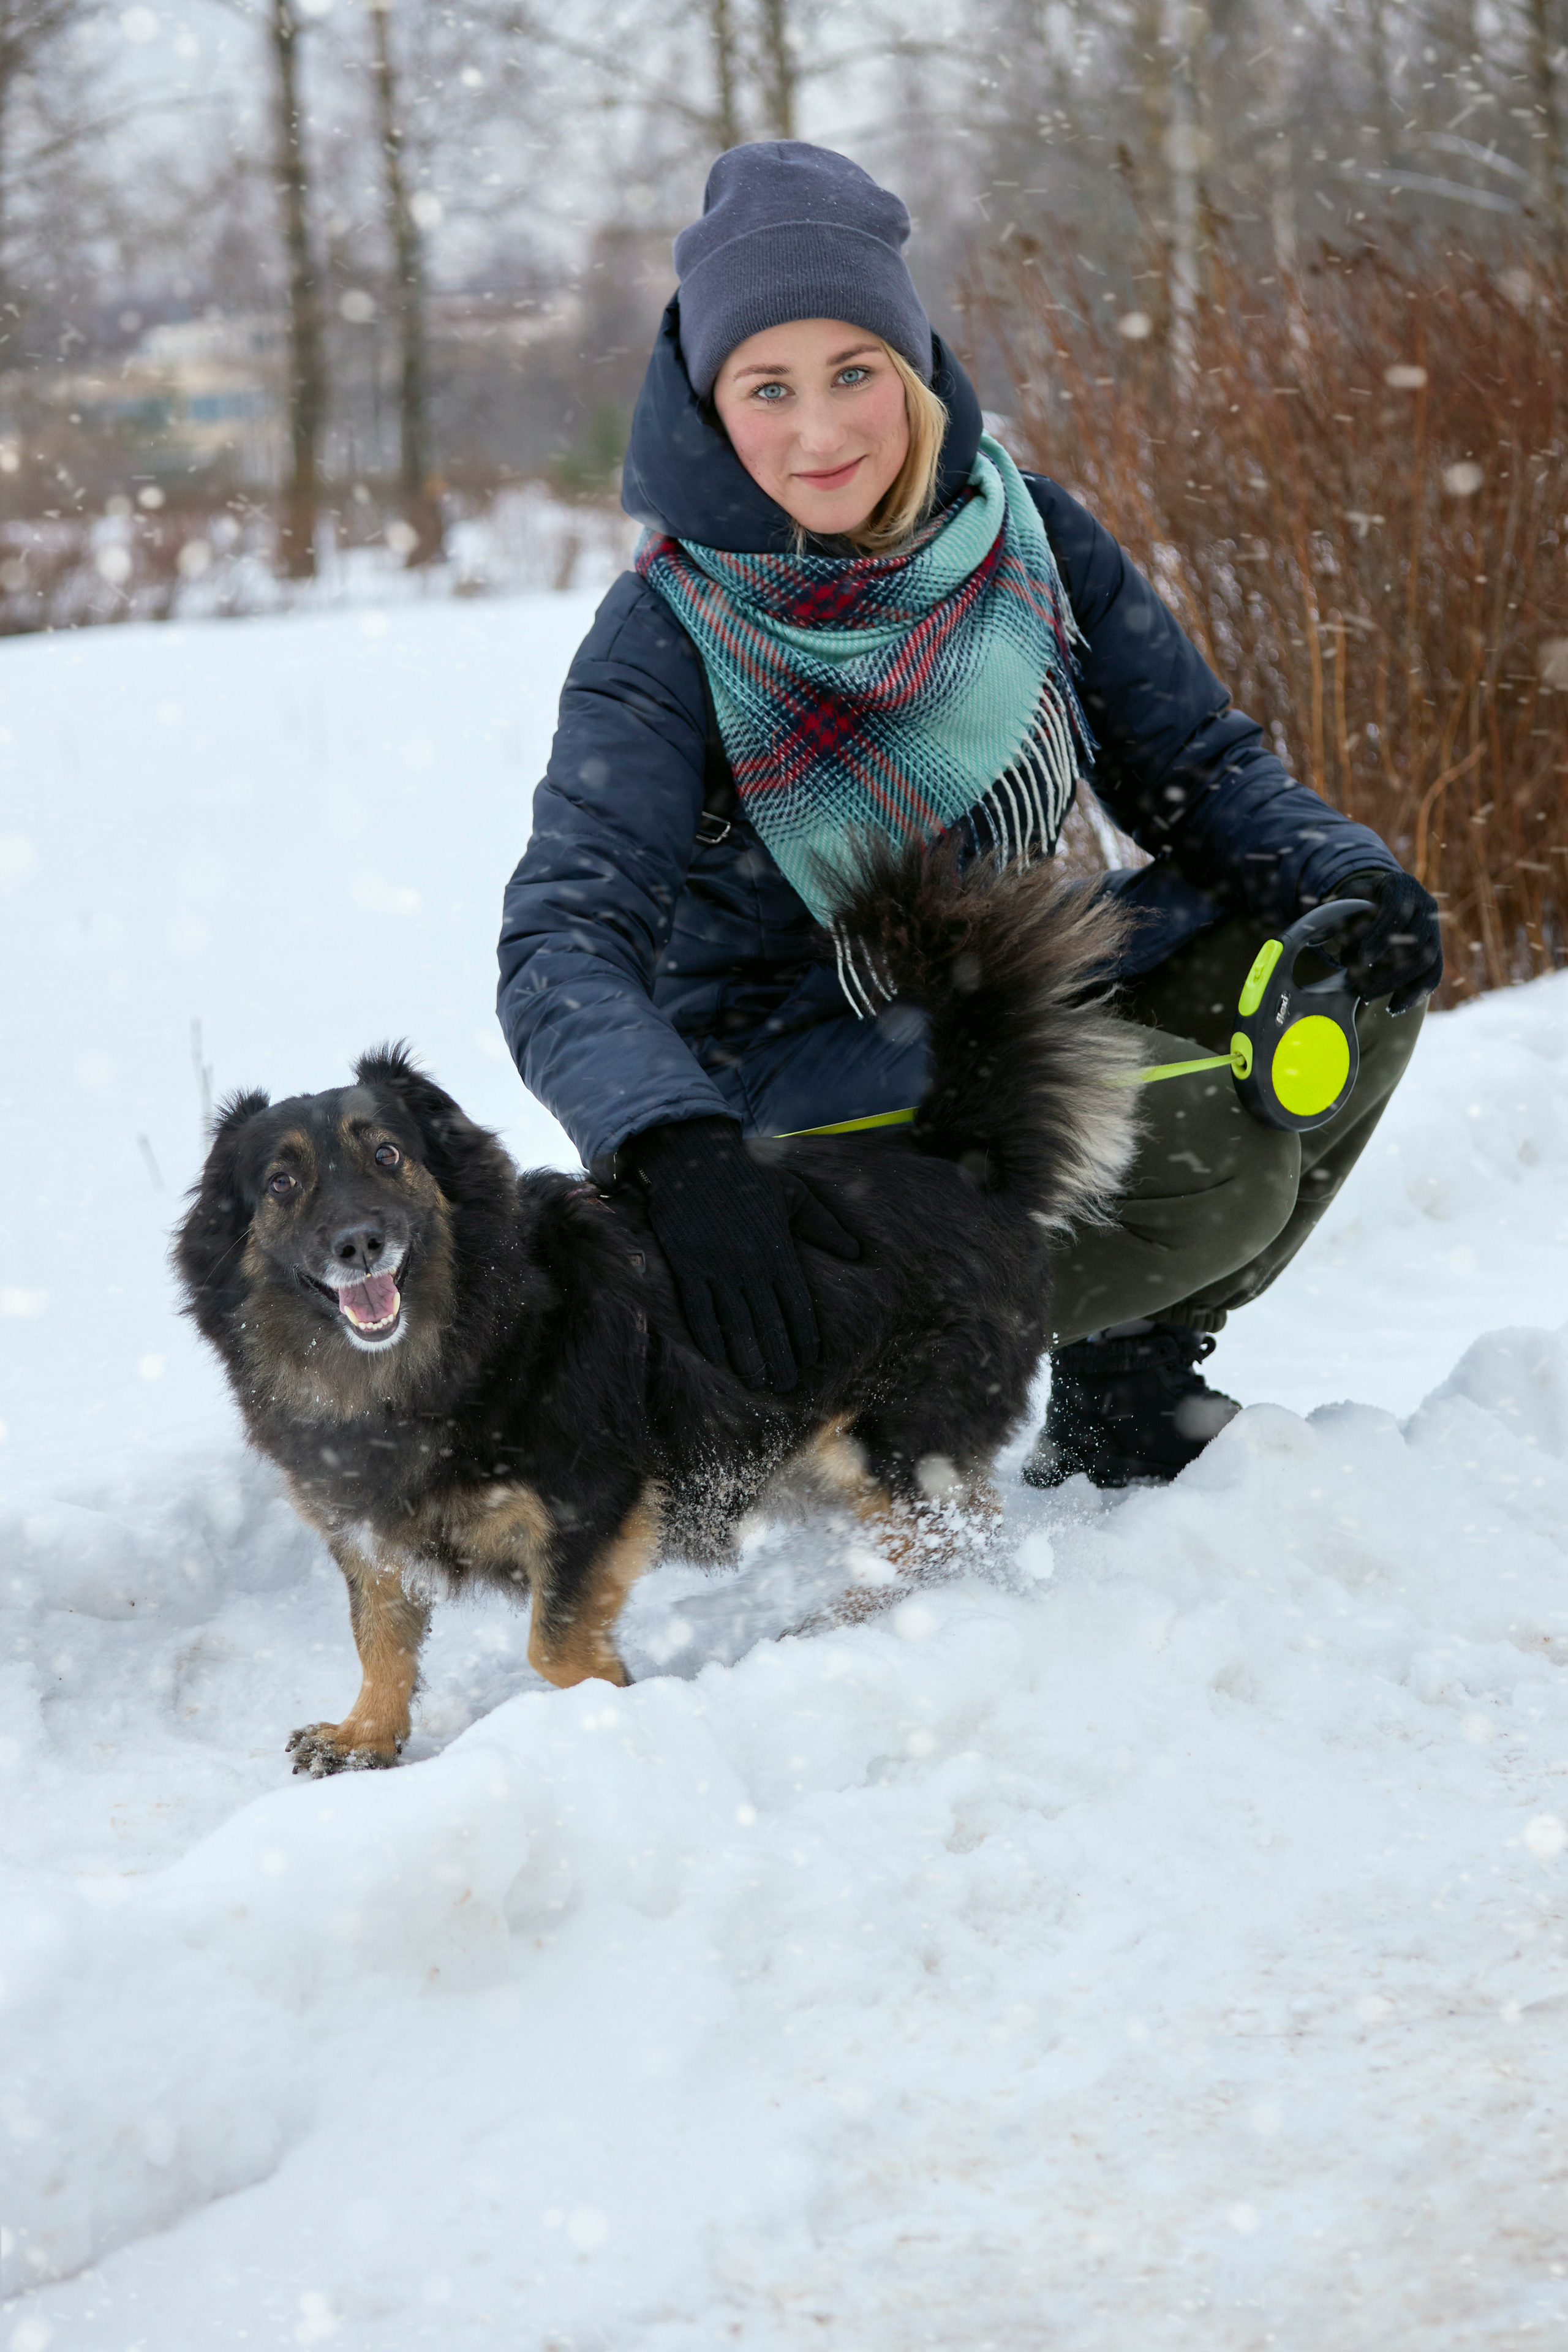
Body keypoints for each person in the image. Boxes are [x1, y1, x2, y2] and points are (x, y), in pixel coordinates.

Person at [497, 140, 1442, 1488]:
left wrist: (1346, 871)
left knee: (1345, 965)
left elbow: (1195, 767)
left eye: (853, 373)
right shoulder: (667, 629)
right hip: (777, 1076)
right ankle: (858, 1384)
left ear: (912, 370)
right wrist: (672, 1143)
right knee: (1208, 1160)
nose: (820, 434)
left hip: (990, 980)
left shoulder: (1026, 536)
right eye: (768, 388)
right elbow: (561, 941)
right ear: (709, 405)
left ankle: (1128, 1387)